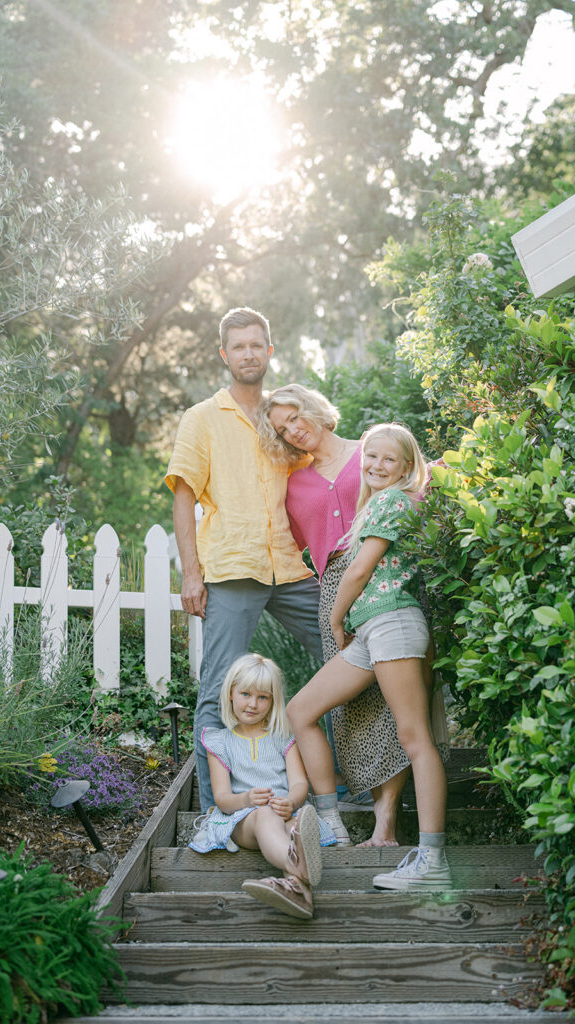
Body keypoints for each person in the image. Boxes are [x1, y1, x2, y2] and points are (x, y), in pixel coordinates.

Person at [165, 308, 323, 812]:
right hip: (232, 566)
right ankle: (216, 810)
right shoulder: (202, 418)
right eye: (239, 346)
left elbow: (319, 471)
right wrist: (191, 573)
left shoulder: (283, 417)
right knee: (217, 687)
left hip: (291, 566)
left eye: (257, 344)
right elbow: (184, 496)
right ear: (225, 355)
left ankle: (336, 784)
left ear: (269, 350)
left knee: (346, 656)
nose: (249, 353)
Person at [285, 423, 452, 890]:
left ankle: (432, 861)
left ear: (406, 467)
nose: (377, 466)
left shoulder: (395, 500)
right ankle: (330, 821)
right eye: (371, 457)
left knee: (414, 738)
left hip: (393, 623)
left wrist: (336, 618)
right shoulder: (375, 505)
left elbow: (359, 570)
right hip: (373, 631)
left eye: (389, 460)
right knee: (300, 710)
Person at [258, 385, 412, 847]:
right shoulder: (293, 482)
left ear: (316, 409)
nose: (294, 429)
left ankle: (387, 825)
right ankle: (340, 820)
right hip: (335, 592)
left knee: (394, 708)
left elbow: (415, 480)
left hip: (387, 582)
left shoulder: (369, 452)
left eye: (296, 417)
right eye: (283, 428)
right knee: (354, 711)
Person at [190, 653, 334, 919]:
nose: (253, 704)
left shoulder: (283, 736)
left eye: (263, 697)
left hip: (283, 815)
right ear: (231, 693)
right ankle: (296, 864)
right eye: (245, 694)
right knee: (265, 814)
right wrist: (245, 799)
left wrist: (291, 801)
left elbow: (300, 782)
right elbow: (221, 798)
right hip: (243, 822)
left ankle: (300, 893)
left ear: (273, 701)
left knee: (298, 825)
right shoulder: (220, 741)